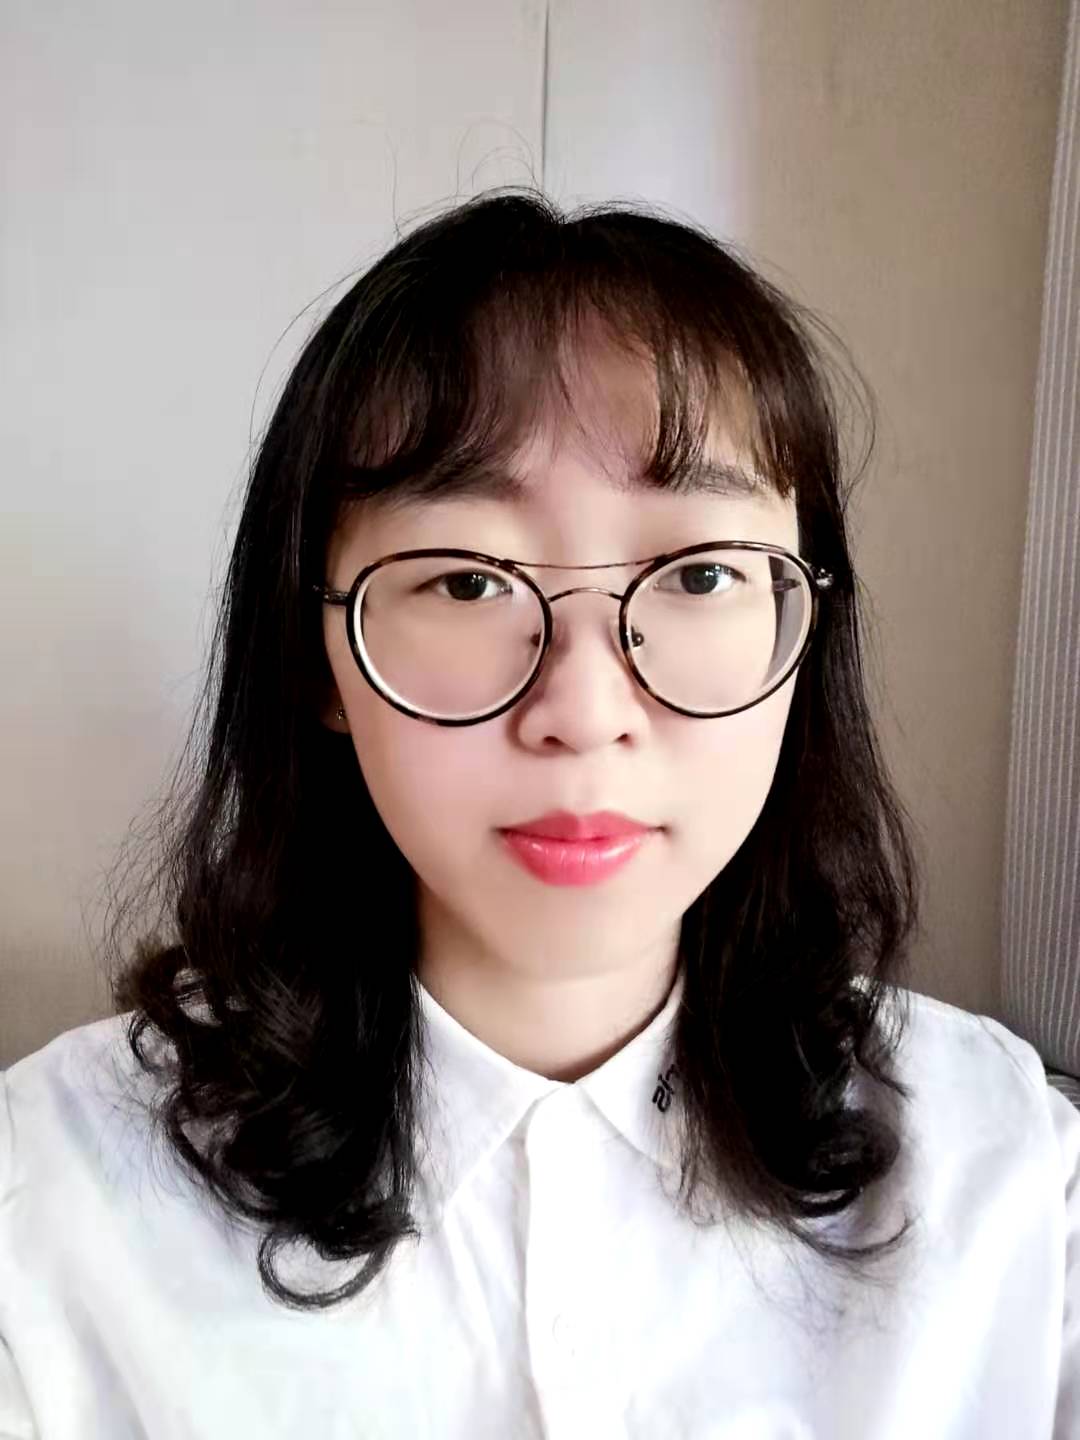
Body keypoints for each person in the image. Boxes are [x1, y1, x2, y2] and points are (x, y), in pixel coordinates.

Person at [1, 186, 1076, 1439]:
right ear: (317, 660)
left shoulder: (1005, 1176)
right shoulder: (53, 1208)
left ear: (800, 629)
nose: (584, 709)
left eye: (700, 573)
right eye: (467, 581)